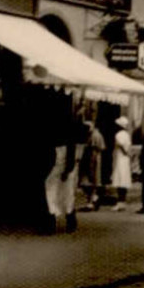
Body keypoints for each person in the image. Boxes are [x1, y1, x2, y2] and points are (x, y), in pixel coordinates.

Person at [43, 99, 84, 234]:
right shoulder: (67, 132)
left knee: (56, 194)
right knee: (63, 195)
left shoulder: (58, 133)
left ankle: (55, 222)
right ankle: (66, 221)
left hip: (61, 167)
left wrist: (67, 169)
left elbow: (67, 153)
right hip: (62, 167)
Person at [110, 116, 134, 211]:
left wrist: (125, 151)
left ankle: (120, 202)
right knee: (123, 179)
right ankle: (122, 201)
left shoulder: (119, 134)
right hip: (125, 158)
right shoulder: (126, 134)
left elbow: (121, 146)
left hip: (120, 158)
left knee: (120, 179)